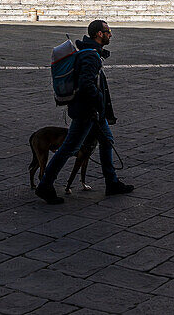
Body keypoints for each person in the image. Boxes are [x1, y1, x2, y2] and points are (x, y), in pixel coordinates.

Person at [36, 20, 134, 203]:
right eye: (108, 31)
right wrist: (98, 101)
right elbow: (86, 84)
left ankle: (111, 183)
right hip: (87, 112)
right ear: (99, 34)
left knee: (107, 141)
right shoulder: (90, 56)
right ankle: (45, 185)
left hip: (94, 111)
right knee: (69, 148)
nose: (110, 34)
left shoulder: (91, 53)